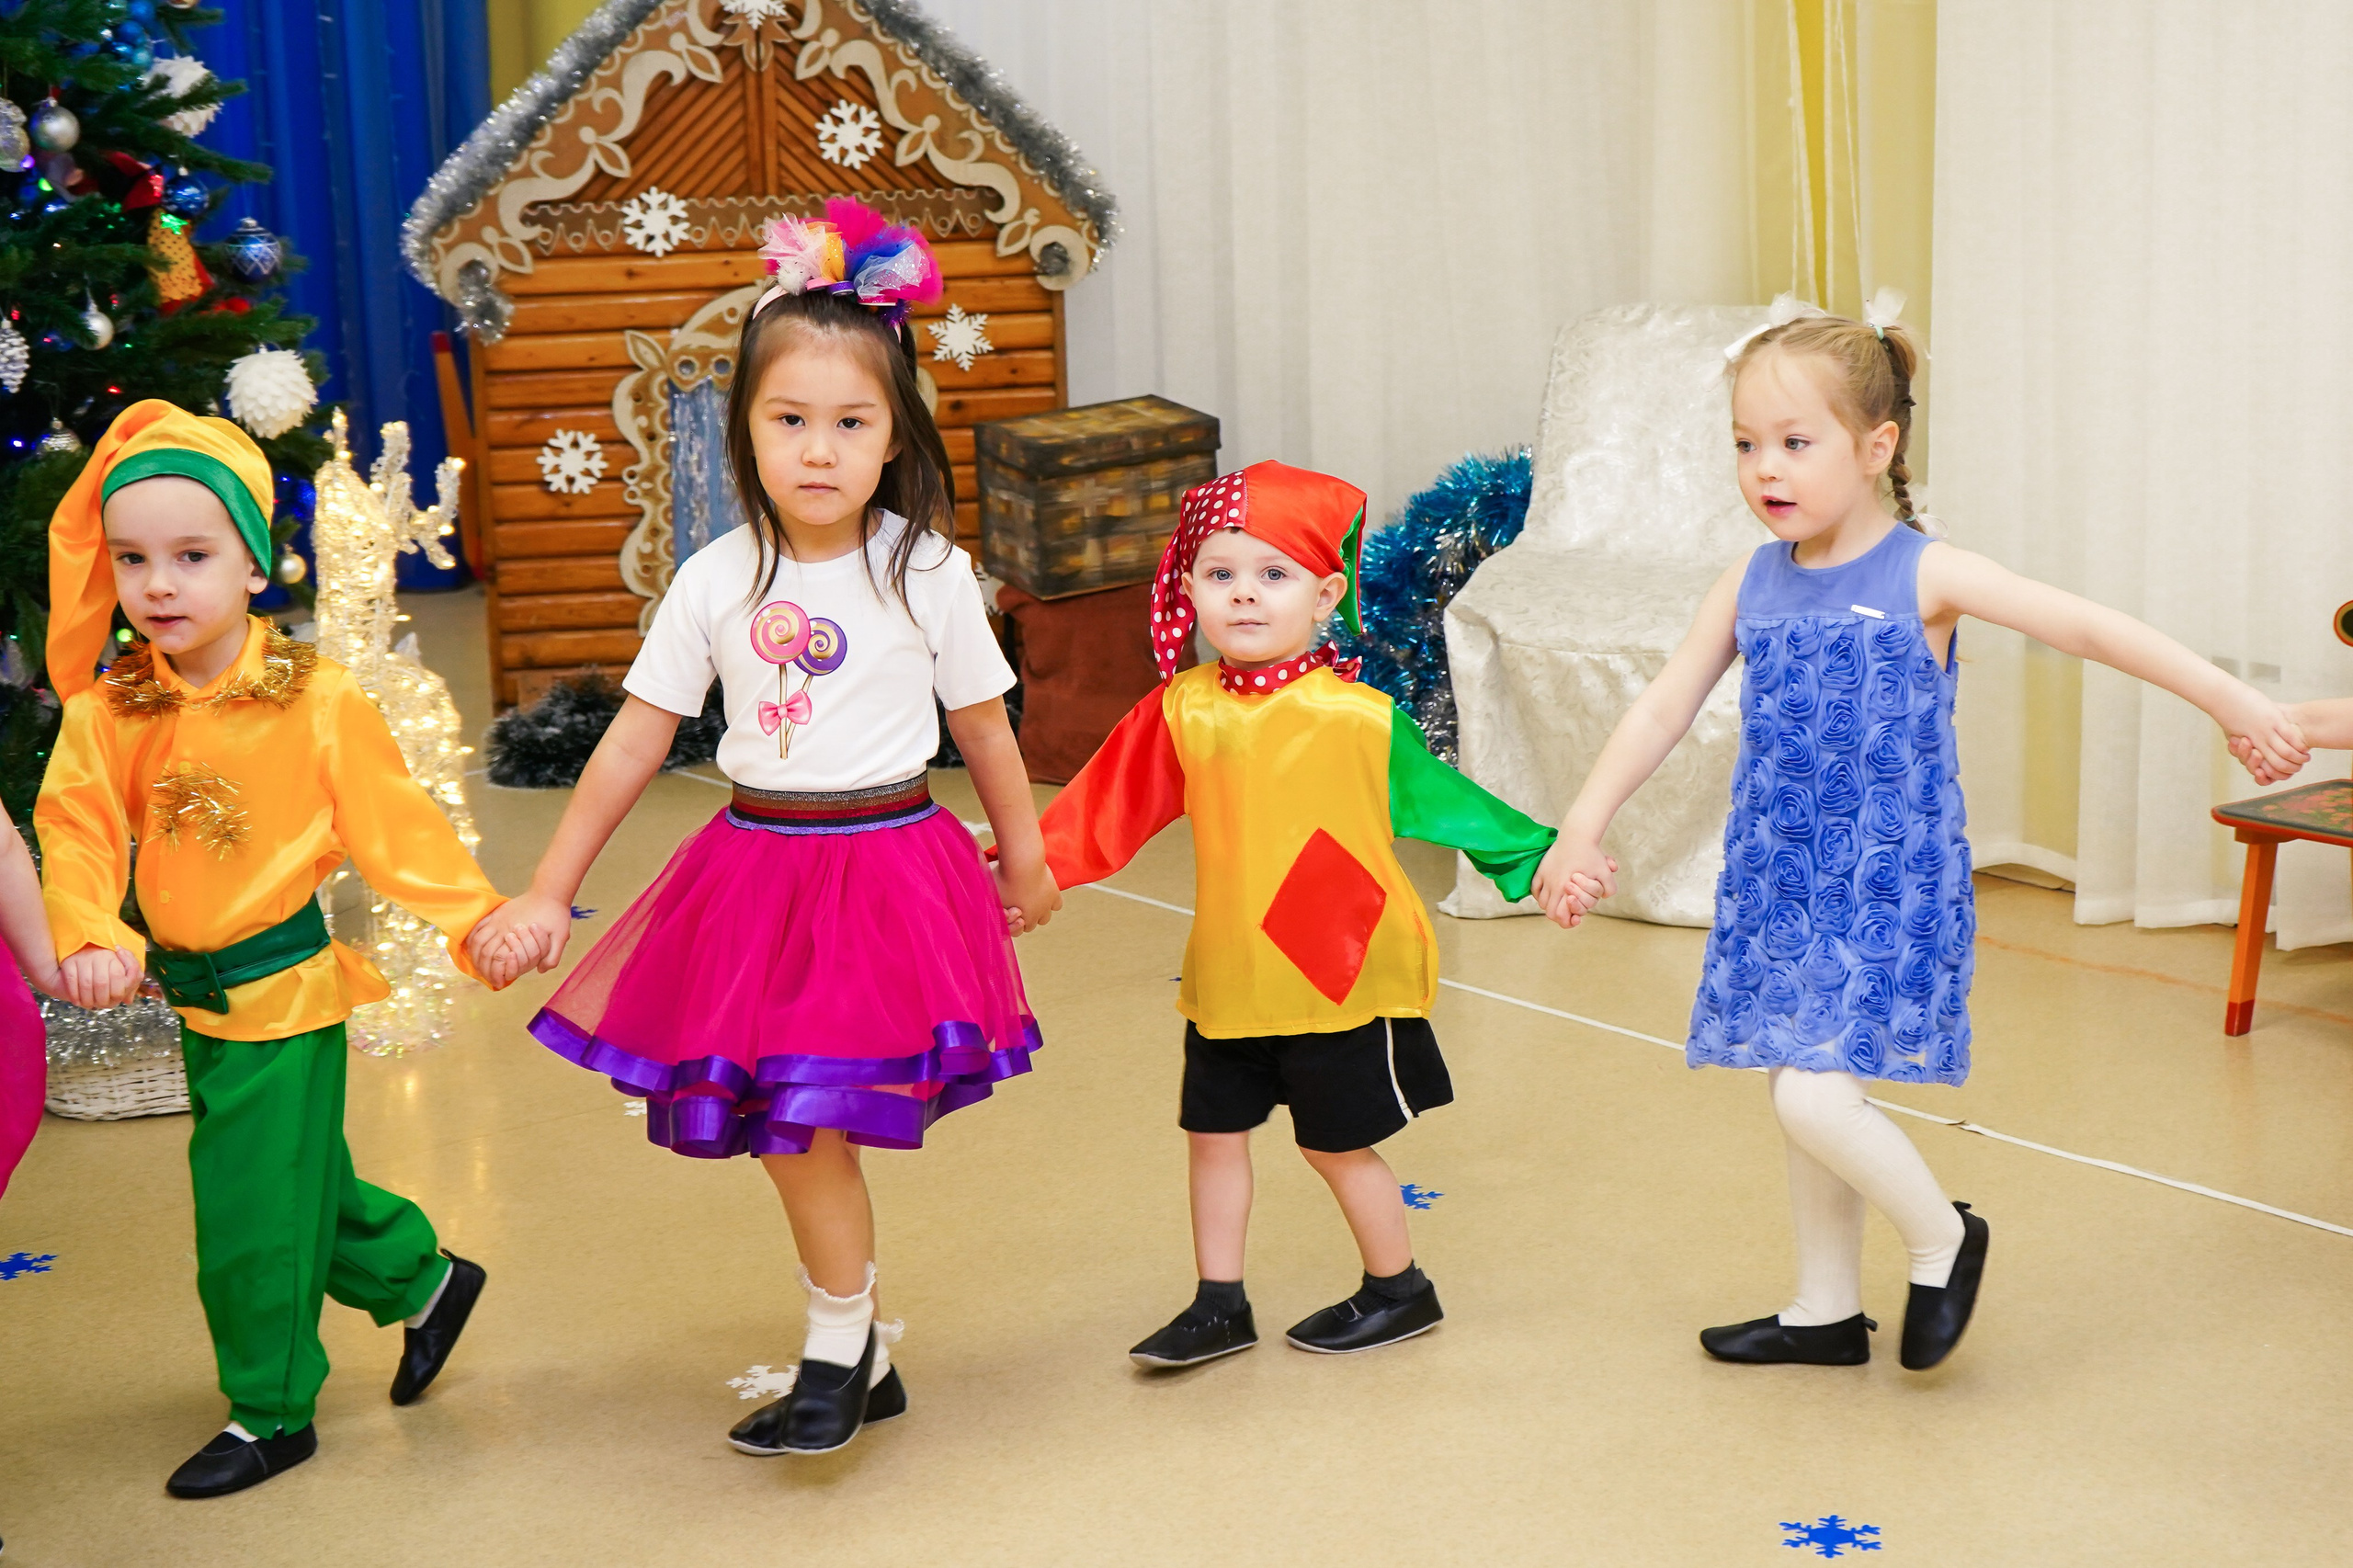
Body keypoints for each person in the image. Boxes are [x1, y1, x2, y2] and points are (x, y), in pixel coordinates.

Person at [1531, 297, 2308, 1371]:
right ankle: (1822, 1308)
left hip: (1883, 878)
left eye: (1796, 443)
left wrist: (2229, 699)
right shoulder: (1750, 580)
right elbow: (1662, 705)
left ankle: (1945, 1234)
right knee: (1795, 1078)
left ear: (1876, 446)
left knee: (1813, 1086)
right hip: (1781, 870)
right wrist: (1580, 825)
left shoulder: (1924, 573)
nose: (1766, 468)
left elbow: (2085, 625)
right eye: (1746, 445)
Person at [473, 201, 1057, 1460]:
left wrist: (1025, 850)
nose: (819, 450)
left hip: (888, 870)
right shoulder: (717, 579)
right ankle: (858, 1344)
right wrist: (546, 888)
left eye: (850, 423)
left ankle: (843, 1345)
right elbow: (632, 738)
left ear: (894, 435)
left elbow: (989, 728)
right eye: (790, 419)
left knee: (804, 1126)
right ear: (744, 426)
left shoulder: (928, 572)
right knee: (792, 1125)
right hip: (755, 875)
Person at [35, 400, 536, 1498]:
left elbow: (393, 822)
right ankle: (424, 1276)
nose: (158, 584)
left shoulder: (314, 700)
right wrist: (89, 931)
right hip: (193, 1000)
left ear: (255, 564)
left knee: (247, 1215)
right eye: (133, 558)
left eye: (193, 555)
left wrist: (474, 914)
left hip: (287, 994)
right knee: (300, 1178)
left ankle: (269, 1408)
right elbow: (73, 829)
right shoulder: (109, 707)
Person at [1035, 460, 1558, 1369]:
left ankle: (1399, 1288)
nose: (1245, 595)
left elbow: (1449, 804)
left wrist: (1541, 860)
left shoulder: (1357, 717)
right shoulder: (1182, 710)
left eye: (1273, 576)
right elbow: (1099, 812)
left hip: (1341, 972)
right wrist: (1017, 871)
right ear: (1189, 587)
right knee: (1212, 1134)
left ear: (1323, 598)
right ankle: (1217, 1302)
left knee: (1335, 1144)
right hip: (1230, 975)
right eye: (1222, 573)